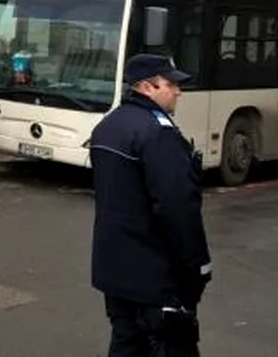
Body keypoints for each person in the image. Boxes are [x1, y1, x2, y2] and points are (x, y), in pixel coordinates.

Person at [89, 54, 211, 357]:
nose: (179, 92)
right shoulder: (158, 134)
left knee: (126, 343)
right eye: (171, 84)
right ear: (146, 87)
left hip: (115, 270)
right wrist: (197, 269)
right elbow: (178, 210)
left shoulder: (109, 125)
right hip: (156, 276)